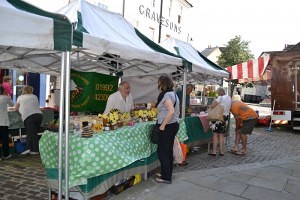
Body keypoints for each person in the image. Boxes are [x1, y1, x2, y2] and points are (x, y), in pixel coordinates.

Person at [155, 75, 180, 184]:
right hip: (173, 125)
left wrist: (162, 125)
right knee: (168, 150)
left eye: (159, 83)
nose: (158, 85)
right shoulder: (173, 93)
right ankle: (167, 173)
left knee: (163, 152)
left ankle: (166, 177)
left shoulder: (167, 95)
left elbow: (171, 111)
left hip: (168, 126)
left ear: (162, 83)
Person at [15, 85, 43, 155]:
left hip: (29, 116)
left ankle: (35, 150)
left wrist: (21, 112)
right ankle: (28, 148)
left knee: (32, 133)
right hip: (39, 115)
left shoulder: (20, 97)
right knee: (32, 133)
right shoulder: (35, 96)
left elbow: (16, 108)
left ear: (23, 90)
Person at [208, 87, 232, 156]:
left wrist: (211, 105)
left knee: (215, 135)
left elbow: (212, 106)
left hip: (218, 117)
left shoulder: (220, 98)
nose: (217, 94)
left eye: (217, 93)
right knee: (221, 135)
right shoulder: (229, 98)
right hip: (225, 118)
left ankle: (214, 151)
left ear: (220, 92)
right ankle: (221, 151)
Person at [0, 85, 14, 161]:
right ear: (3, 90)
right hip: (3, 121)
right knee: (4, 138)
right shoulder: (6, 98)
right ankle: (6, 154)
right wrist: (7, 95)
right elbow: (12, 104)